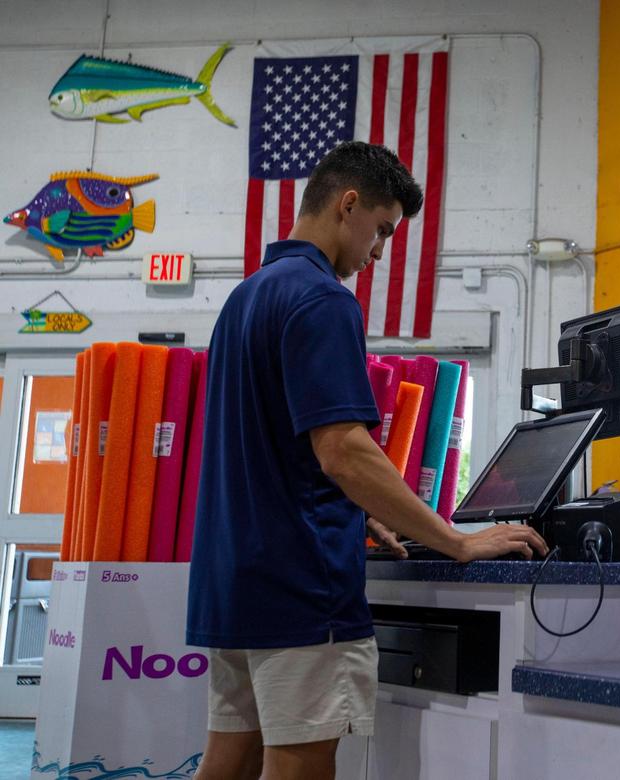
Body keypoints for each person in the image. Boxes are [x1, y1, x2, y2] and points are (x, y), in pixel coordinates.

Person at [187, 142, 547, 780]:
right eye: (381, 230)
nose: (379, 252)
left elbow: (271, 450)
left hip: (232, 579)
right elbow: (344, 451)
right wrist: (453, 542)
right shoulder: (321, 299)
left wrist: (359, 513)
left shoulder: (244, 300)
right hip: (301, 584)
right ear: (347, 204)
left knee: (227, 763)